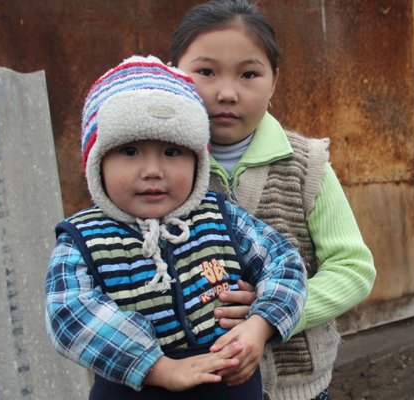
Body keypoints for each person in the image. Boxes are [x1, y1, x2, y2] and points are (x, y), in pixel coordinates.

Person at [44, 55, 307, 400]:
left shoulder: (220, 216)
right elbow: (68, 314)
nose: (153, 170)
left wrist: (260, 325)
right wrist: (158, 367)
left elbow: (286, 263)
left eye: (172, 151)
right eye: (130, 150)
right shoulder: (82, 238)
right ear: (96, 163)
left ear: (198, 160)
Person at [170, 1, 377, 399]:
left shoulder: (306, 165)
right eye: (205, 72)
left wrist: (270, 313)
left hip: (294, 387)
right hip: (197, 386)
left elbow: (353, 269)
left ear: (274, 81)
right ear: (172, 73)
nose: (226, 92)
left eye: (249, 74)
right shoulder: (155, 171)